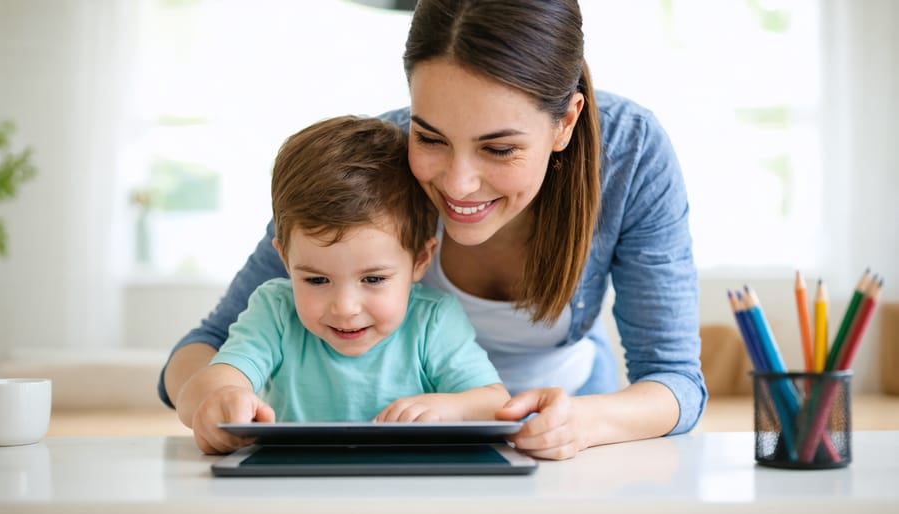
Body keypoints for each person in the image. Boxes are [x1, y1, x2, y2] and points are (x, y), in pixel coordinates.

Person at [159, 0, 707, 460]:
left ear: (565, 121)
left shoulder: (631, 154)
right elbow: (198, 352)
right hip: (408, 448)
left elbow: (675, 381)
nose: (460, 184)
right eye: (431, 137)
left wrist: (579, 423)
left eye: (499, 148)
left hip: (570, 427)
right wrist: (210, 402)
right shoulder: (368, 170)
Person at [175, 115, 509, 454]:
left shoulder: (433, 321)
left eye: (374, 279)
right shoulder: (274, 311)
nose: (345, 308)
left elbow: (495, 405)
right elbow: (208, 385)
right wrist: (217, 399)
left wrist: (450, 409)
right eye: (317, 279)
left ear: (421, 260)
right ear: (285, 259)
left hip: (409, 489)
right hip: (295, 486)